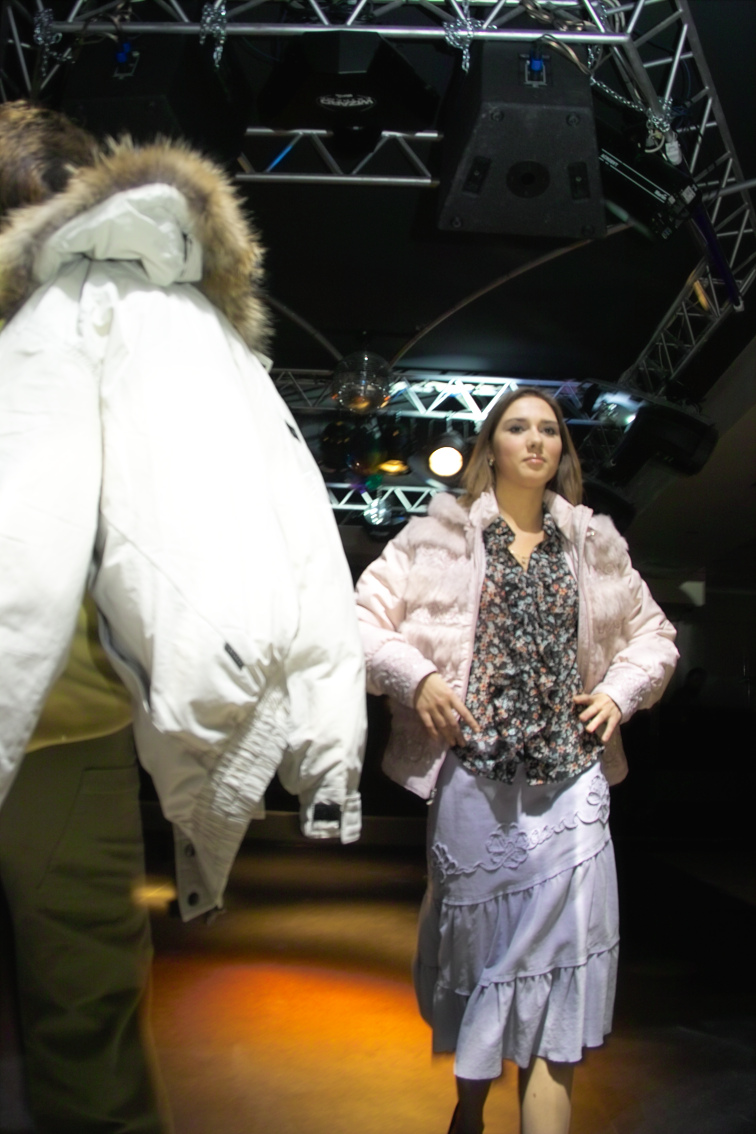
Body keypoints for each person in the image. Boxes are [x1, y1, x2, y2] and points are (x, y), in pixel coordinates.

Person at [0, 100, 366, 1132]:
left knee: (88, 1011)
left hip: (68, 727)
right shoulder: (166, 318)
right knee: (87, 1016)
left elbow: (243, 525)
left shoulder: (111, 312)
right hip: (73, 728)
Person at [355, 388, 678, 1134]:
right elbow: (360, 619)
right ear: (489, 446)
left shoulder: (595, 544)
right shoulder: (437, 537)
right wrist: (417, 677)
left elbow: (655, 636)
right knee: (481, 961)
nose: (536, 440)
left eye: (550, 430)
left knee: (558, 970)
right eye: (517, 427)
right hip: (475, 781)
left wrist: (621, 692)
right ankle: (469, 1108)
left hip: (573, 781)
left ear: (562, 449)